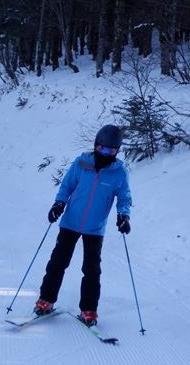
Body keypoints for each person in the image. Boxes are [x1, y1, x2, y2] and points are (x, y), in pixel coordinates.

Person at [33, 124, 132, 326]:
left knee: (92, 270)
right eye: (102, 148)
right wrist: (58, 203)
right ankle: (46, 300)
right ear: (96, 146)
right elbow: (67, 186)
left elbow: (124, 197)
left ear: (117, 151)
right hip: (70, 222)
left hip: (95, 228)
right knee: (58, 263)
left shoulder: (119, 172)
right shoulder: (81, 163)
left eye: (111, 150)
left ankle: (89, 310)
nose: (105, 153)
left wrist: (124, 215)